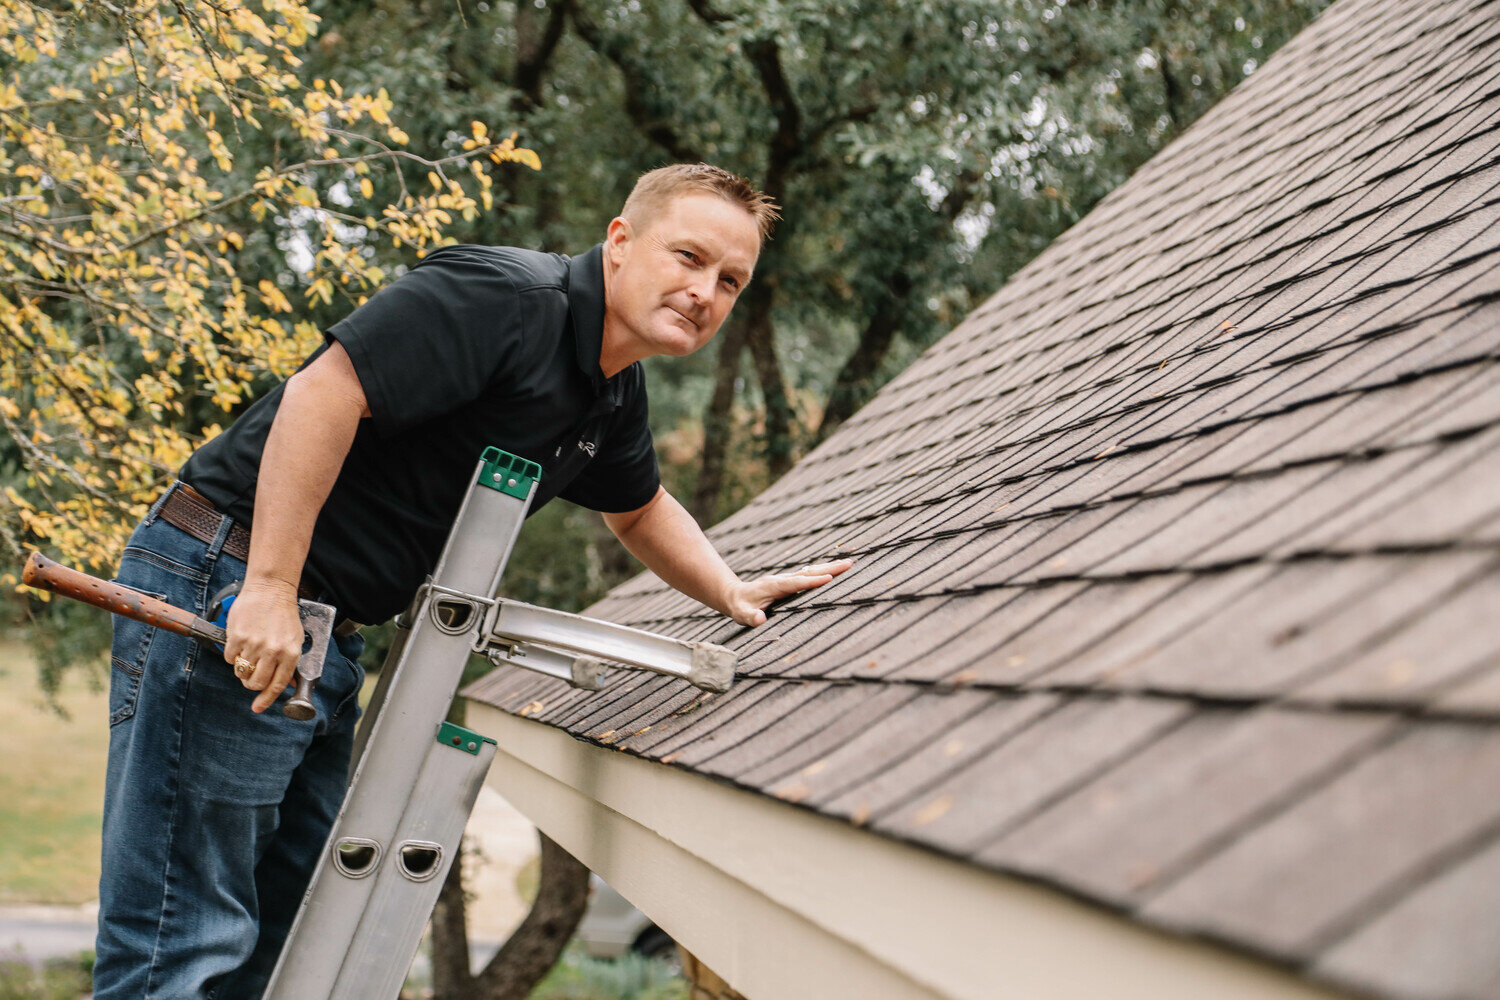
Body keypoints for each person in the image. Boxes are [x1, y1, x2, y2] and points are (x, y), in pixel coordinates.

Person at [95, 163, 852, 1000]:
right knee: (181, 937)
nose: (704, 290)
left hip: (324, 629)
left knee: (286, 944)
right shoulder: (504, 300)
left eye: (729, 280)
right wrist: (268, 590)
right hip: (228, 581)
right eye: (688, 257)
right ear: (621, 241)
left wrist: (732, 592)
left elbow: (638, 511)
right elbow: (324, 393)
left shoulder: (608, 392)